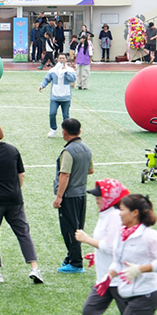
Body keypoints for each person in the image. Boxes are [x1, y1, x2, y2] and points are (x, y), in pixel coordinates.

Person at [74, 179, 157, 315]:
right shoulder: (106, 214)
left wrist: (88, 240)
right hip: (105, 280)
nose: (96, 198)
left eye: (100, 195)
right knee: (89, 312)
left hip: (119, 281)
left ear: (110, 197)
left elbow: (114, 246)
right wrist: (96, 255)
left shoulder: (115, 216)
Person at [0, 121, 43, 284]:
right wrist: (15, 190)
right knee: (23, 233)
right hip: (14, 199)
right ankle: (34, 267)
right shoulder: (12, 149)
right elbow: (22, 174)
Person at [51, 117, 94, 275]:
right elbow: (90, 170)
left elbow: (65, 175)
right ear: (79, 131)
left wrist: (59, 197)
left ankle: (76, 263)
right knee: (78, 227)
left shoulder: (68, 151)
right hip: (81, 194)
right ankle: (70, 258)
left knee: (70, 230)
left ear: (64, 132)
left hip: (69, 196)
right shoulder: (86, 148)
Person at [39, 53, 76, 137]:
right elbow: (47, 79)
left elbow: (73, 79)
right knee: (52, 113)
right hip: (55, 96)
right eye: (60, 58)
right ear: (57, 60)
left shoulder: (70, 70)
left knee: (66, 115)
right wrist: (42, 85)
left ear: (66, 60)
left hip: (65, 96)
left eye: (63, 58)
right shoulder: (53, 70)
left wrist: (66, 71)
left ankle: (66, 131)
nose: (61, 60)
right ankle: (53, 128)